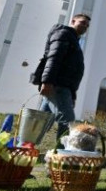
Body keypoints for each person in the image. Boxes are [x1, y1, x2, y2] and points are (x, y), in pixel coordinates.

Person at [36, 14, 91, 145]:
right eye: (82, 23)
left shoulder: (73, 40)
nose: (85, 27)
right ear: (73, 21)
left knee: (41, 121)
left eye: (87, 25)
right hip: (58, 85)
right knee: (67, 120)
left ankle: (26, 148)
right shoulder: (63, 34)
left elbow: (71, 69)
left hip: (63, 86)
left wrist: (73, 94)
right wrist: (47, 81)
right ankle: (61, 154)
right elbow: (54, 58)